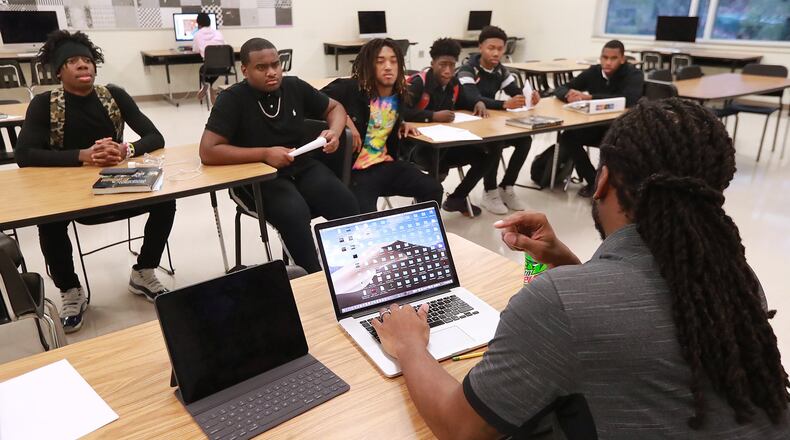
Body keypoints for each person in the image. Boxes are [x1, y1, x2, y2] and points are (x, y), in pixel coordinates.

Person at [371, 99, 790, 438]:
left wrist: (409, 344)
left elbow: (460, 427)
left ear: (602, 180)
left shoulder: (555, 304)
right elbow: (632, 317)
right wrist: (567, 264)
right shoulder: (734, 281)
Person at [15, 30, 175, 333]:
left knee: (166, 200)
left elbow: (155, 137)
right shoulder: (44, 104)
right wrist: (83, 155)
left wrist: (125, 149)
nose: (82, 66)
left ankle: (143, 271)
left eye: (87, 61)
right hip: (68, 188)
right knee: (49, 221)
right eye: (73, 62)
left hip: (116, 182)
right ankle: (70, 289)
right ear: (59, 70)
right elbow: (25, 154)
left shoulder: (114, 95)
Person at [199, 38, 358, 273]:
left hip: (300, 165)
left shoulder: (294, 86)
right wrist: (264, 154)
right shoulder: (232, 99)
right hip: (257, 178)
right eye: (261, 68)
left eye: (276, 65)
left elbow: (335, 108)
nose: (272, 72)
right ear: (245, 70)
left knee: (345, 202)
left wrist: (333, 132)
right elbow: (208, 151)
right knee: (294, 213)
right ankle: (313, 279)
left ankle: (354, 269)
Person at [322, 38, 443, 214]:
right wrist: (345, 120)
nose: (388, 66)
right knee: (367, 218)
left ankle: (419, 232)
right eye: (380, 61)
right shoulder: (348, 88)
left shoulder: (398, 93)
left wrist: (401, 122)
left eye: (393, 61)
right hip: (357, 171)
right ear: (368, 65)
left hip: (386, 164)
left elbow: (382, 117)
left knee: (433, 189)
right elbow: (314, 104)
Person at [402, 38, 498, 217]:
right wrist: (432, 116)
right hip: (418, 148)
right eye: (442, 65)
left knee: (488, 153)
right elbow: (400, 112)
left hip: (446, 144)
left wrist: (478, 102)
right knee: (437, 164)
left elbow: (465, 100)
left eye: (452, 65)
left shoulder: (453, 84)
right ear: (432, 63)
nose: (447, 71)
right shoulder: (418, 83)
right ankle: (425, 209)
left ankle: (458, 198)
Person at [457, 26, 539, 215]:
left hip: (489, 122)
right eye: (490, 48)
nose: (495, 53)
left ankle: (507, 187)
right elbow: (471, 97)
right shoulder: (468, 69)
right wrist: (503, 105)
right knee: (496, 142)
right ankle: (490, 191)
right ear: (480, 47)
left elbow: (514, 91)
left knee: (525, 140)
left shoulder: (500, 71)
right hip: (469, 125)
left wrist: (530, 97)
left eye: (500, 49)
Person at [554, 40, 643, 197]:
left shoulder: (633, 74)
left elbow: (629, 99)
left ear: (623, 59)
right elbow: (561, 88)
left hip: (619, 129)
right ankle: (593, 181)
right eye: (604, 57)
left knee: (614, 145)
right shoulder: (594, 72)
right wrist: (568, 95)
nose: (607, 62)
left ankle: (609, 184)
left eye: (613, 58)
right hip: (595, 125)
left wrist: (590, 97)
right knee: (568, 136)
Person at [192, 12, 226, 103]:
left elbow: (195, 50)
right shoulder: (218, 33)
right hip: (224, 66)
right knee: (213, 69)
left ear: (198, 24)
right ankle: (209, 87)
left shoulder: (197, 34)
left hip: (209, 67)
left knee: (202, 70)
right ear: (210, 23)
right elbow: (225, 46)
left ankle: (206, 86)